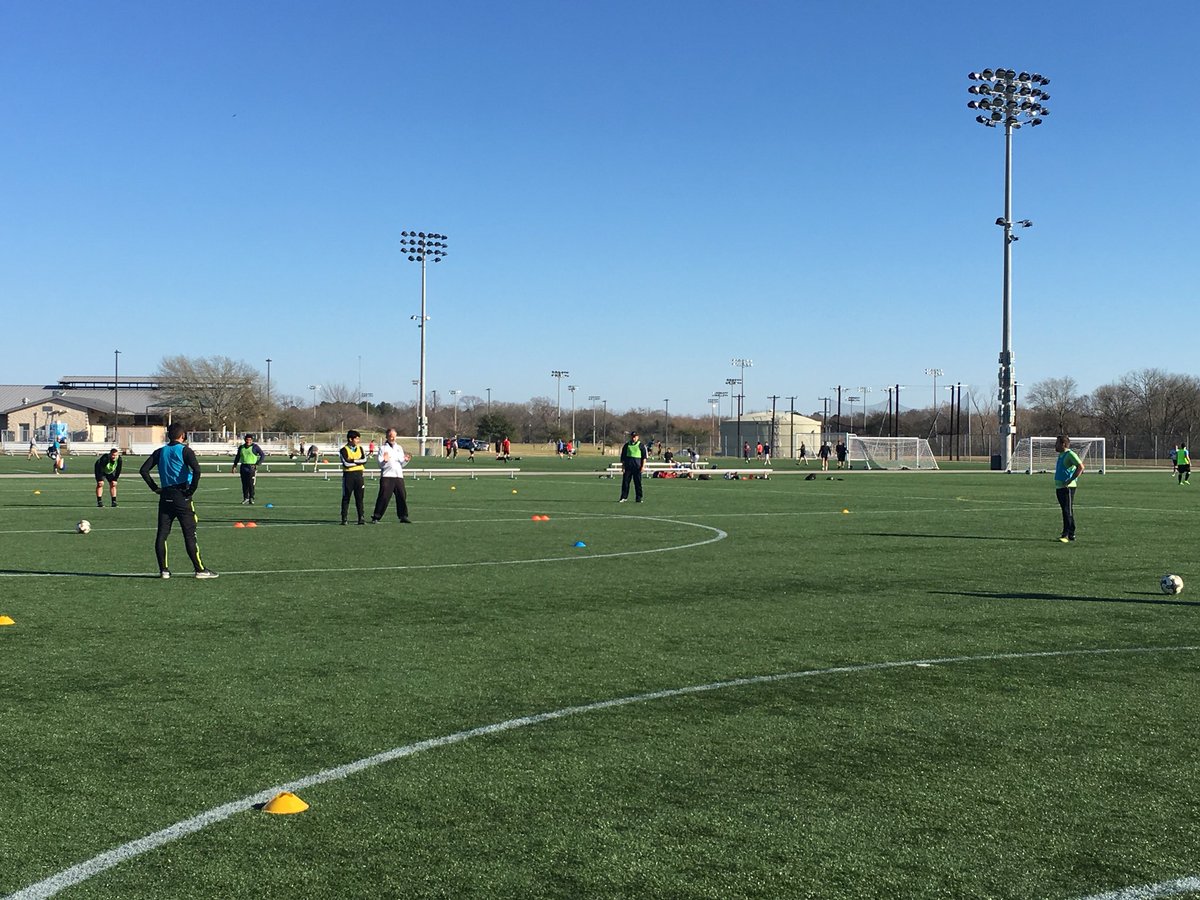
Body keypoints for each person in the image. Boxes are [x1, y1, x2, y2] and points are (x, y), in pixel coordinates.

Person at [139, 423, 217, 579]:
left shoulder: (160, 452)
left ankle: (164, 570)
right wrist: (191, 490)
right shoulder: (185, 450)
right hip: (181, 496)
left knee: (162, 534)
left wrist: (154, 488)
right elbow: (197, 470)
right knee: (189, 534)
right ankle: (200, 570)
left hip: (165, 496)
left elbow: (143, 470)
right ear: (183, 436)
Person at [371, 428, 412, 523]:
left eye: (394, 436)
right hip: (387, 476)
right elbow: (380, 464)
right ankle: (376, 516)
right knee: (384, 497)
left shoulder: (399, 448)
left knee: (402, 496)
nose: (392, 438)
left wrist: (406, 460)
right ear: (387, 436)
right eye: (390, 436)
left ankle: (403, 516)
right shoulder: (383, 448)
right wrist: (384, 461)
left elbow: (401, 464)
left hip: (398, 476)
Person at [1053, 434, 1085, 543]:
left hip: (1068, 488)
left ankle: (1066, 534)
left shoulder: (1070, 454)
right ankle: (1071, 533)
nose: (1055, 445)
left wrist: (1071, 480)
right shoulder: (1061, 455)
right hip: (1060, 487)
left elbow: (1081, 467)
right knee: (1065, 510)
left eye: (1057, 443)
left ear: (1063, 444)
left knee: (1067, 510)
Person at [339, 429, 368, 525]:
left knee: (359, 498)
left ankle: (361, 518)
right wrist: (357, 461)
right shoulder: (343, 450)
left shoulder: (360, 448)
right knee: (346, 497)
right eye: (356, 439)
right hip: (348, 476)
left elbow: (364, 460)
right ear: (350, 439)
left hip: (359, 475)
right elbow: (346, 463)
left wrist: (353, 460)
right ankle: (344, 518)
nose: (358, 441)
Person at [231, 433, 265, 504]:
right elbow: (237, 457)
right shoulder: (241, 447)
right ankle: (245, 498)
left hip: (251, 467)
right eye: (247, 440)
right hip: (243, 467)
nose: (248, 441)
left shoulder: (255, 447)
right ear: (245, 440)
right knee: (244, 484)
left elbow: (262, 455)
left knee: (251, 483)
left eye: (250, 440)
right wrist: (234, 466)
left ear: (252, 440)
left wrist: (257, 464)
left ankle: (251, 498)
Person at [618, 430, 646, 503]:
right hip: (628, 467)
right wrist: (623, 467)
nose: (634, 438)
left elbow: (644, 458)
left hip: (637, 468)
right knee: (625, 483)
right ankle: (624, 497)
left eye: (635, 437)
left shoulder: (641, 445)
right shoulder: (627, 445)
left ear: (638, 437)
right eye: (633, 437)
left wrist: (643, 467)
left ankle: (639, 498)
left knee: (638, 483)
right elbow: (623, 457)